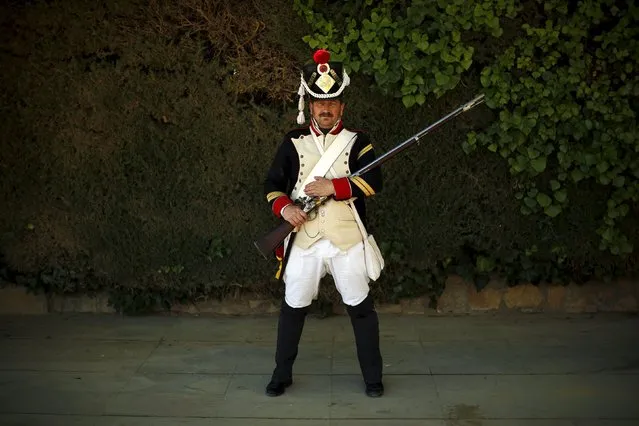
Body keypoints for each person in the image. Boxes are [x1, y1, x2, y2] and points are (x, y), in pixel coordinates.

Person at [262, 49, 384, 398]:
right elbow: (272, 184)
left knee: (361, 310)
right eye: (318, 102)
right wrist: (285, 209)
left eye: (331, 103)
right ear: (310, 105)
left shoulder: (359, 141)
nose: (325, 109)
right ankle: (281, 374)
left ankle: (373, 379)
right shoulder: (293, 140)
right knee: (293, 307)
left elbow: (374, 181)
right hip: (305, 238)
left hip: (347, 238)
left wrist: (334, 186)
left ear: (342, 107)